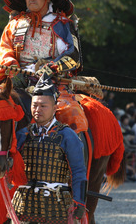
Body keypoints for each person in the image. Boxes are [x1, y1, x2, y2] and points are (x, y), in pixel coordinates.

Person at [11, 75, 87, 223]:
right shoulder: (22, 134)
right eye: (34, 105)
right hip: (24, 205)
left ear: (55, 107)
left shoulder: (67, 135)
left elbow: (78, 171)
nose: (37, 110)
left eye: (43, 106)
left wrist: (79, 201)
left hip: (57, 205)